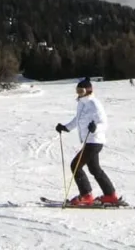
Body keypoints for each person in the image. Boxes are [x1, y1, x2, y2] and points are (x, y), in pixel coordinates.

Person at [55, 77, 120, 206]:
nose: (78, 93)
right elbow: (77, 119)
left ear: (88, 90)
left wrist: (96, 128)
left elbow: (104, 123)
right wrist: (66, 127)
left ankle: (86, 195)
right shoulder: (81, 103)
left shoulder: (94, 104)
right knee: (95, 169)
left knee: (75, 166)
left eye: (81, 91)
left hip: (94, 141)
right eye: (77, 90)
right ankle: (110, 195)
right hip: (89, 142)